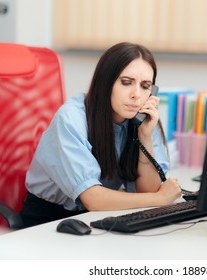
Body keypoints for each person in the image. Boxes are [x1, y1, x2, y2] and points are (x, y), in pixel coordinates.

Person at [20, 42, 182, 228]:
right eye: (126, 82)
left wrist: (145, 136)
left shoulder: (142, 120)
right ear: (106, 82)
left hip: (97, 215)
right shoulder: (71, 118)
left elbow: (146, 191)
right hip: (47, 220)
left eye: (145, 86)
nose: (136, 95)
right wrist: (160, 199)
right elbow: (93, 199)